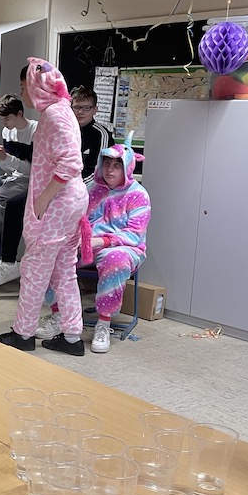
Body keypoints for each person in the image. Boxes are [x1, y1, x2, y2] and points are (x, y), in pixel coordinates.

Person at [0, 58, 88, 355]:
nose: (23, 93)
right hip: (70, 201)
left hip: (59, 203)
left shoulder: (55, 115)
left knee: (35, 268)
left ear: (37, 86)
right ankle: (72, 336)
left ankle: (23, 334)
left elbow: (71, 162)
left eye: (24, 86)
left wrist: (44, 197)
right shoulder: (61, 110)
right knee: (63, 269)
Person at [37, 134, 150, 353]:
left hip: (124, 248)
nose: (110, 170)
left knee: (114, 260)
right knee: (54, 253)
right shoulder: (93, 189)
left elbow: (135, 235)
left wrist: (102, 240)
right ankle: (58, 314)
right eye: (107, 164)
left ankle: (104, 324)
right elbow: (77, 218)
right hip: (86, 245)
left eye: (117, 165)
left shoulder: (138, 195)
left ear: (127, 168)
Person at [0, 91, 37, 288]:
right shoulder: (7, 131)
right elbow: (10, 167)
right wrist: (1, 160)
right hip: (12, 177)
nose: (4, 122)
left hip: (30, 180)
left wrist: (7, 159)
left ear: (19, 114)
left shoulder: (35, 131)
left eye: (7, 118)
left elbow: (33, 169)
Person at [70, 86, 112, 184]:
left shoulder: (101, 134)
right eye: (76, 107)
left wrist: (73, 187)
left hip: (87, 188)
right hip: (60, 185)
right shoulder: (64, 130)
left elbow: (98, 171)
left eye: (86, 108)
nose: (80, 112)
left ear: (94, 110)